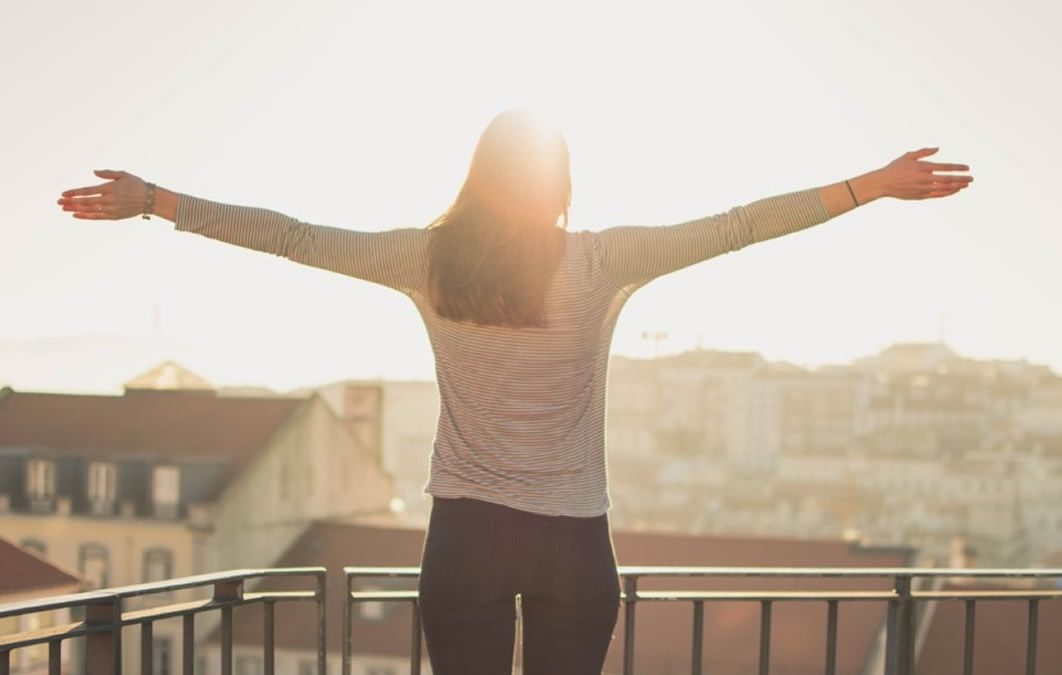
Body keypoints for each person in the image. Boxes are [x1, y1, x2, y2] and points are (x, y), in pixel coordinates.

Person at [57, 110, 972, 674]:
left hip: (466, 539)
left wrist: (159, 200)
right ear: (561, 182)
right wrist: (870, 187)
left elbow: (293, 235)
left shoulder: (425, 258)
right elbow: (737, 227)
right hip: (575, 544)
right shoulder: (603, 260)